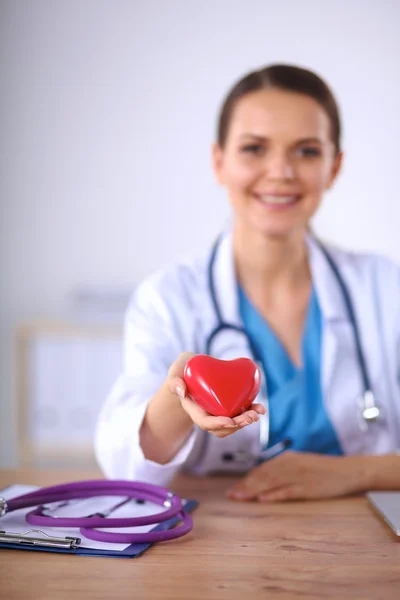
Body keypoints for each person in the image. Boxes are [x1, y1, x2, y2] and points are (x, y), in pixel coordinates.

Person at [95, 64, 400, 502]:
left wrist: (354, 472)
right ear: (219, 162)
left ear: (335, 167)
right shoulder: (168, 298)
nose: (280, 172)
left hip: (366, 542)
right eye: (255, 148)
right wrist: (177, 394)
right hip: (218, 542)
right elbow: (128, 461)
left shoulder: (384, 287)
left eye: (307, 151)